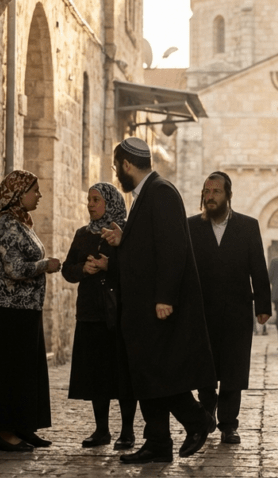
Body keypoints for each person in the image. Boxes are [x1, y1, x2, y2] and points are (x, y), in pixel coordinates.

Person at [101, 137, 216, 464]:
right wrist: (124, 241)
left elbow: (173, 248)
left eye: (116, 167)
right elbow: (149, 246)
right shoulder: (147, 194)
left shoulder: (160, 192)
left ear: (126, 165)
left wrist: (165, 297)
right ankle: (158, 443)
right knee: (147, 372)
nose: (116, 173)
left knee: (157, 373)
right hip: (143, 306)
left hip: (157, 305)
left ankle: (197, 421)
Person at [0, 170, 61, 452]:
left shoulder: (21, 223)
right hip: (8, 311)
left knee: (27, 371)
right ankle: (7, 434)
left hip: (25, 311)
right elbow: (14, 269)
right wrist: (45, 265)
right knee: (10, 372)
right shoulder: (6, 226)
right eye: (35, 190)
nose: (39, 195)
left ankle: (24, 426)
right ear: (18, 194)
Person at [187, 172, 271, 445]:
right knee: (206, 368)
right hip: (202, 312)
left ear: (228, 195)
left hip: (236, 310)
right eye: (206, 192)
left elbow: (258, 266)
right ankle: (206, 414)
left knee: (234, 370)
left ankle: (228, 424)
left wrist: (263, 305)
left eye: (216, 192)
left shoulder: (247, 227)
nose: (210, 197)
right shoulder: (191, 228)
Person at [62, 182, 138, 450]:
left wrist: (110, 265)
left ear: (110, 202)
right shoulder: (83, 234)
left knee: (123, 375)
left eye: (96, 199)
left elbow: (138, 268)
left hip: (118, 315)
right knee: (97, 376)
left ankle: (127, 431)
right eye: (89, 199)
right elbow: (67, 270)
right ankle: (101, 430)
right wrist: (83, 269)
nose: (90, 204)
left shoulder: (125, 232)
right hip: (91, 314)